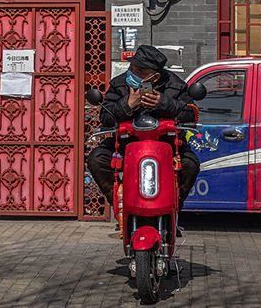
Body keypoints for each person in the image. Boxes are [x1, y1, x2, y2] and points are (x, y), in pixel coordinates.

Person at [86, 45, 201, 210]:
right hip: (125, 144)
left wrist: (164, 103)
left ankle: (174, 206)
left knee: (190, 164)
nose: (132, 73)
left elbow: (190, 113)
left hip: (167, 144)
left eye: (139, 71)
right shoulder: (119, 84)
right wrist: (127, 105)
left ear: (155, 76)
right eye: (132, 68)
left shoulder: (175, 85)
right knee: (96, 159)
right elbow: (105, 117)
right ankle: (120, 203)